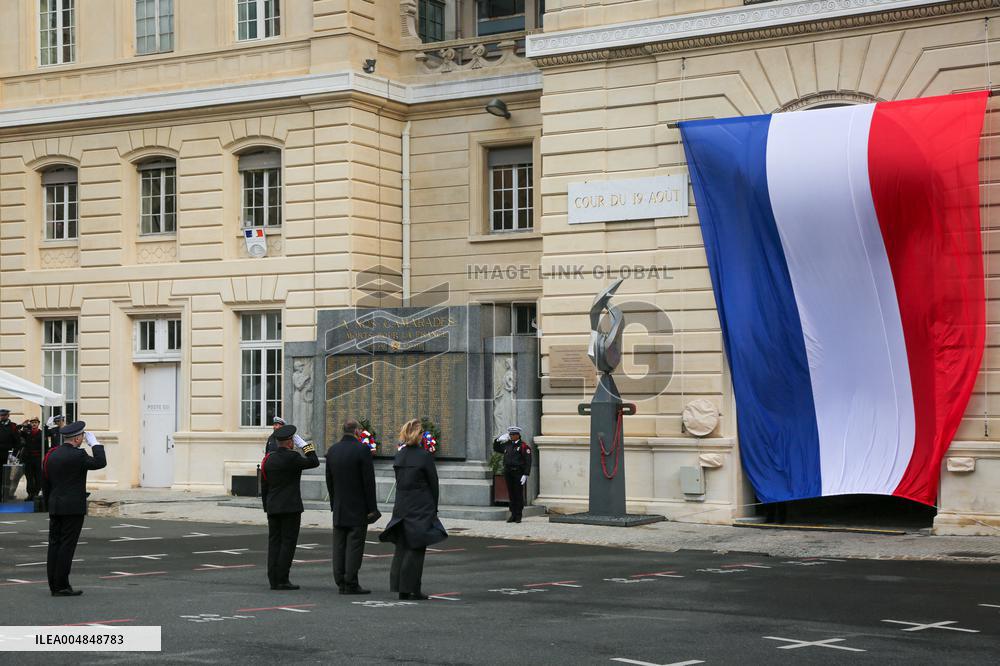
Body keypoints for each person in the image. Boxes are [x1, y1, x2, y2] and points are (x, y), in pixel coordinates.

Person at [379, 418, 447, 601]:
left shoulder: (400, 455)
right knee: (416, 548)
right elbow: (433, 483)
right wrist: (434, 506)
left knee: (402, 547)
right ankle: (413, 588)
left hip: (402, 504)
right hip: (421, 505)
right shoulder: (424, 456)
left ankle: (401, 587)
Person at [42, 420, 107, 596]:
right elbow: (100, 462)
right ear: (78, 438)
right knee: (67, 546)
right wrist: (95, 444)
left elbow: (46, 482)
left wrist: (49, 502)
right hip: (72, 507)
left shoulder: (51, 454)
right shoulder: (79, 456)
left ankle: (54, 584)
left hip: (55, 505)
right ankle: (62, 585)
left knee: (54, 544)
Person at [260, 424, 319, 590]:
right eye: (293, 440)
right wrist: (306, 445)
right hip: (290, 507)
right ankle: (283, 579)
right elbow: (314, 462)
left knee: (274, 543)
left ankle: (273, 579)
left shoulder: (268, 459)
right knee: (288, 543)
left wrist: (267, 507)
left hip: (273, 507)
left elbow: (264, 485)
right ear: (290, 442)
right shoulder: (292, 458)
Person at [325, 419, 380, 595]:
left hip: (340, 507)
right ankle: (351, 582)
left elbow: (329, 481)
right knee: (354, 546)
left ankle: (340, 581)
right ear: (356, 432)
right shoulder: (362, 450)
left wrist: (334, 504)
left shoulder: (332, 451)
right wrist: (372, 508)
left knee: (339, 546)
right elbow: (368, 482)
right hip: (358, 507)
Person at [492, 426, 532, 523]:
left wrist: (525, 474)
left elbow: (528, 461)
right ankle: (512, 514)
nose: (511, 436)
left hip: (518, 472)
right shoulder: (507, 445)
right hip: (508, 471)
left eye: (513, 435)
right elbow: (496, 448)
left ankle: (518, 515)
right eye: (510, 434)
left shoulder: (523, 446)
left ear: (518, 435)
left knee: (518, 494)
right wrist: (498, 440)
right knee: (511, 494)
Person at [18, 418, 43, 501]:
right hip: (28, 459)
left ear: (38, 424)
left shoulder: (42, 434)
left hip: (38, 458)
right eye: (32, 423)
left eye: (35, 423)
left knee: (38, 477)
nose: (34, 424)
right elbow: (17, 432)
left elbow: (45, 447)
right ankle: (30, 494)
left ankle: (36, 493)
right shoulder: (26, 433)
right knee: (29, 477)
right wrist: (22, 425)